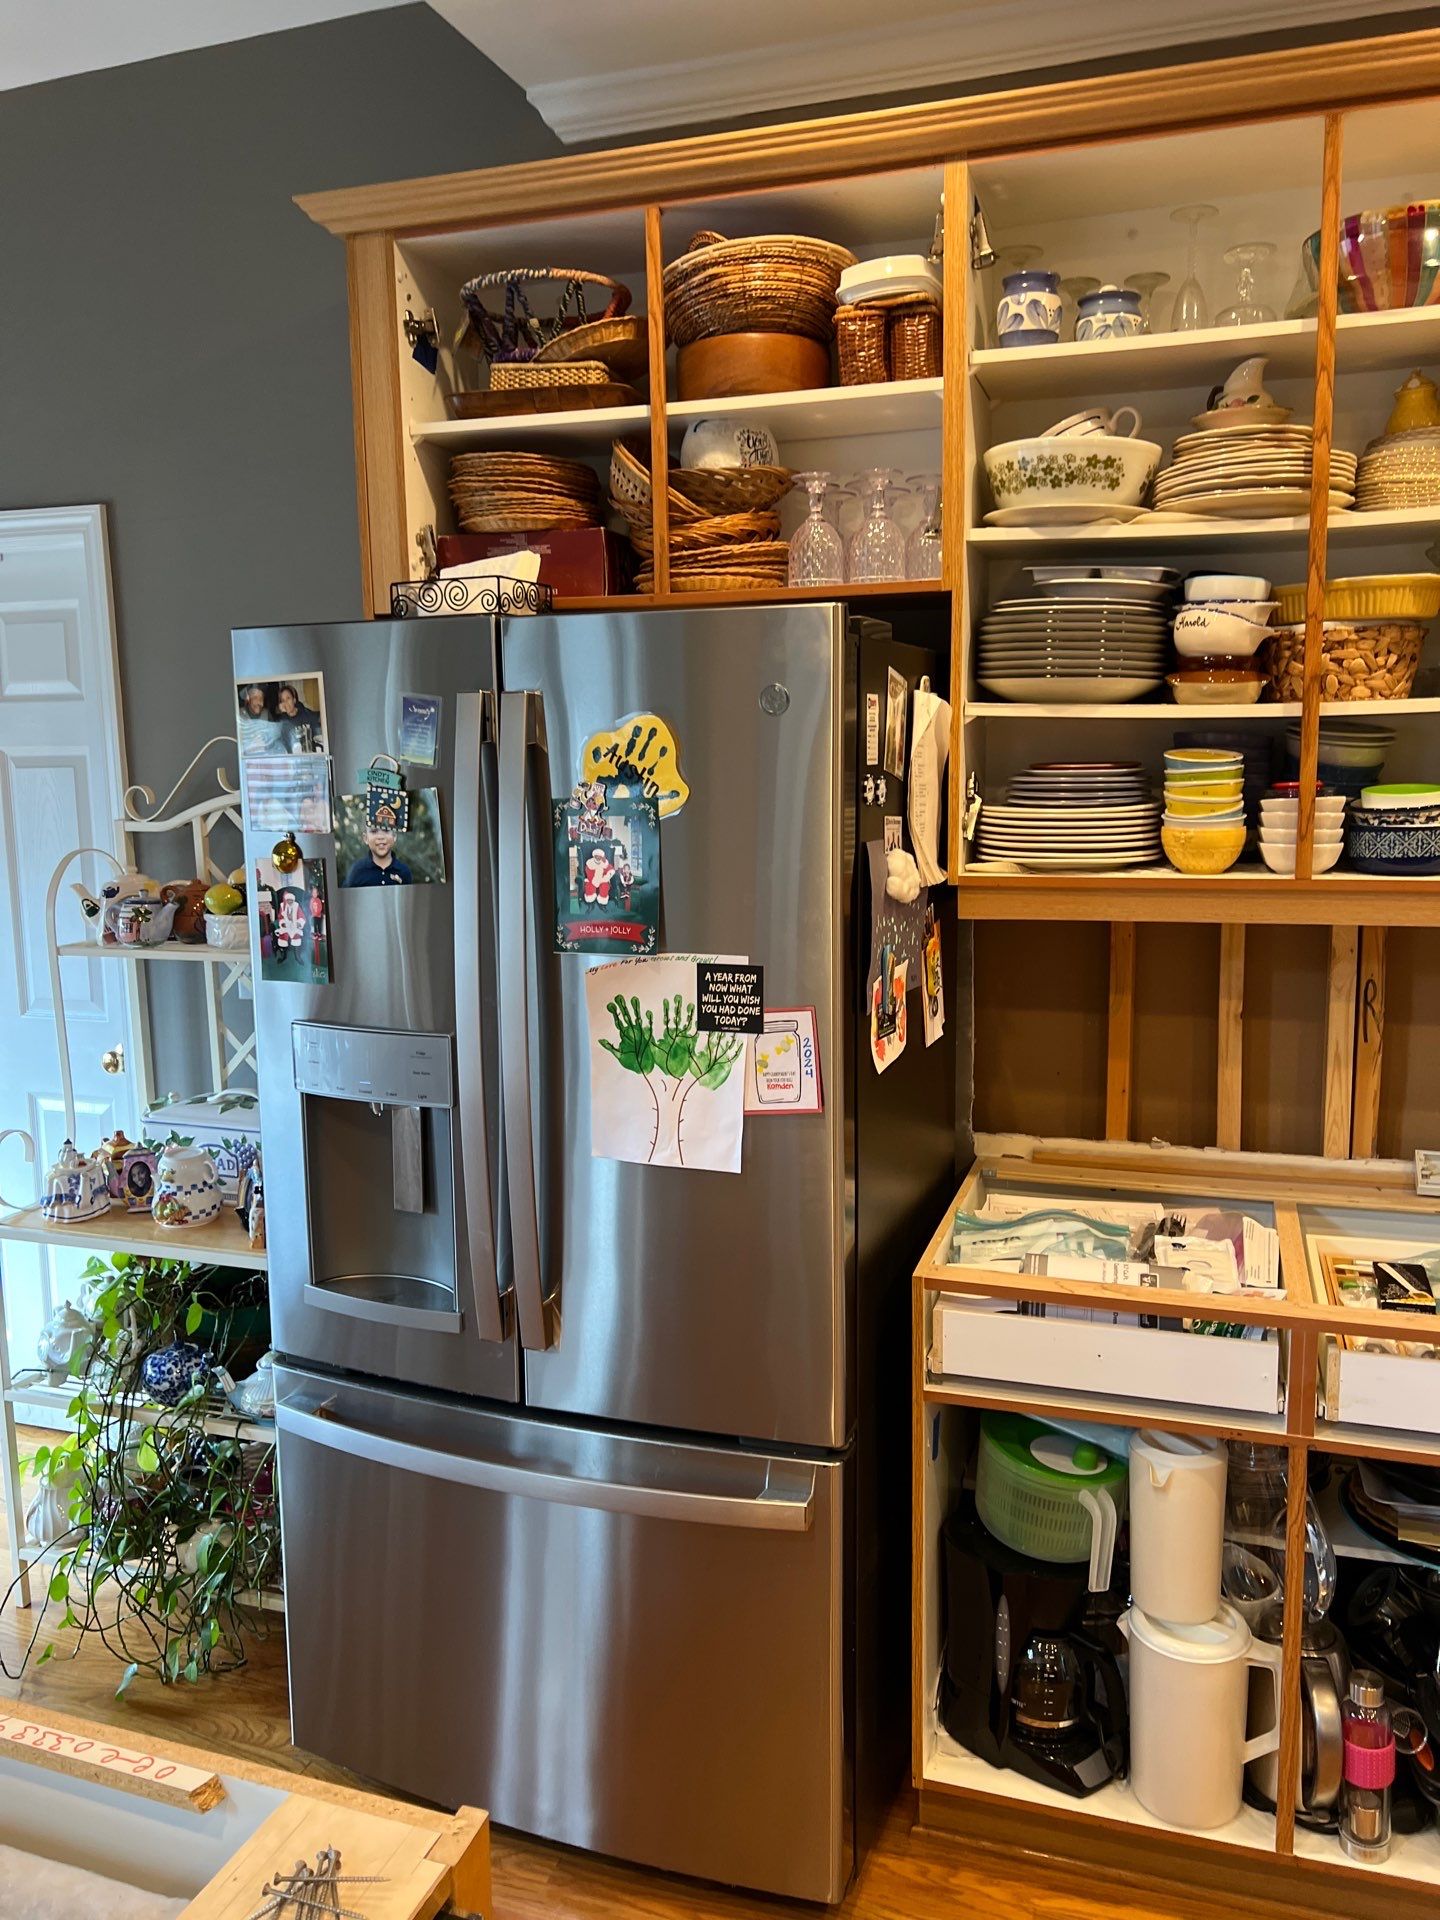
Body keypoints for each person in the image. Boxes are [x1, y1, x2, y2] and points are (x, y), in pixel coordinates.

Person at [343, 820, 412, 887]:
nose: (380, 837)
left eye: (386, 830)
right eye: (374, 831)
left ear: (394, 836)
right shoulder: (356, 872)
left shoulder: (404, 871)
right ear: (366, 838)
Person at [236, 684, 285, 755]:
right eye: (255, 697)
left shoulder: (266, 714)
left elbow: (275, 740)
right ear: (248, 699)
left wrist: (265, 745)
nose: (259, 702)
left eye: (261, 698)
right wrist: (250, 745)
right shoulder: (239, 715)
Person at [274, 682, 323, 753]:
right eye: (283, 700)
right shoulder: (281, 721)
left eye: (288, 698)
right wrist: (284, 715)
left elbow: (319, 719)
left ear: (294, 700)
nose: (286, 703)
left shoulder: (305, 713)